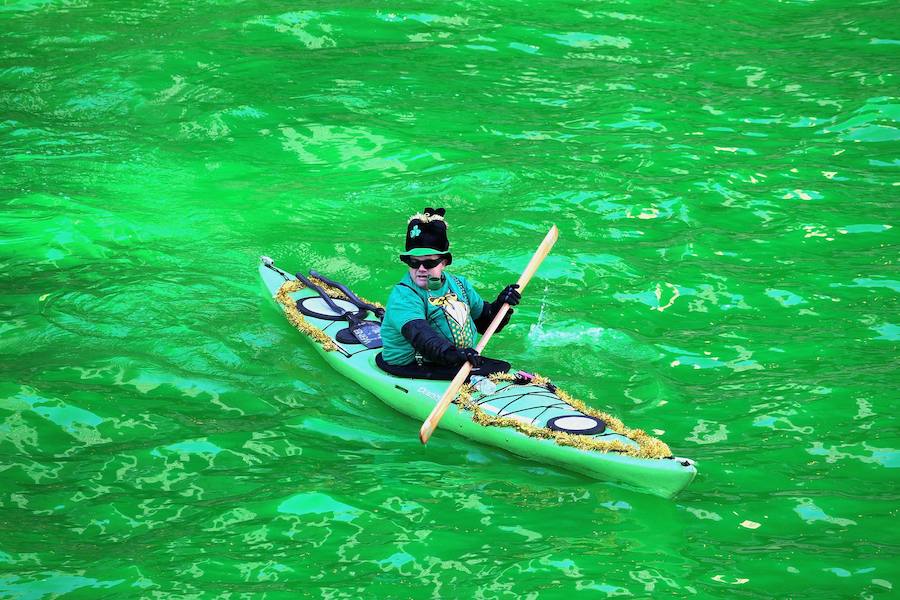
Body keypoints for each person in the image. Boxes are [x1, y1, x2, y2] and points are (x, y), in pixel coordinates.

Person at [377, 207, 521, 380]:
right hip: (413, 365)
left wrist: (500, 305)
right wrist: (456, 355)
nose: (421, 269)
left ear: (444, 262)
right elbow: (423, 339)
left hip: (452, 359)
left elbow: (486, 324)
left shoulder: (459, 284)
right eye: (413, 262)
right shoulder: (403, 295)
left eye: (429, 263)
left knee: (503, 366)